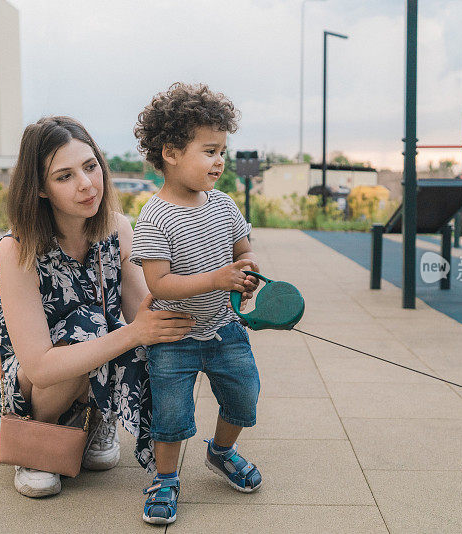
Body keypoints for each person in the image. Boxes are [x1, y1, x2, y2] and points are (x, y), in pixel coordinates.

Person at [0, 116, 195, 498]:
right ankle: (41, 444)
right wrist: (133, 332)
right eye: (64, 177)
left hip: (93, 359)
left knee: (138, 336)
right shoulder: (17, 249)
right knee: (90, 324)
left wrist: (213, 291)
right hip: (22, 380)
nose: (87, 184)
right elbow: (40, 366)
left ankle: (95, 421)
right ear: (40, 189)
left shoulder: (118, 229)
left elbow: (144, 315)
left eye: (90, 166)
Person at [131, 83, 262, 525]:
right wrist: (217, 277)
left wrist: (245, 273)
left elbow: (243, 251)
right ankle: (165, 477)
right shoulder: (154, 216)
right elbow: (160, 284)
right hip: (174, 333)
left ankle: (221, 452)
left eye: (223, 149)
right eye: (209, 150)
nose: (220, 160)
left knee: (244, 395)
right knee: (170, 412)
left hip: (225, 327)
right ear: (170, 151)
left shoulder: (224, 205)